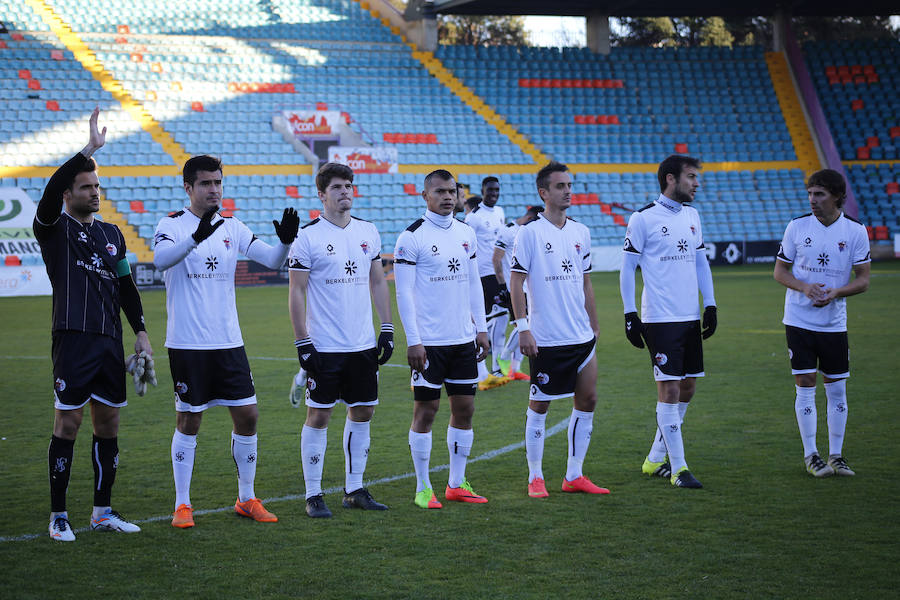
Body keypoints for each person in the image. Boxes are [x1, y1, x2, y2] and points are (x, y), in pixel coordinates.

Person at [153, 155, 299, 528]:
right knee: (189, 420)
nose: (214, 189)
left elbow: (272, 260)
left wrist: (285, 242)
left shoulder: (232, 225)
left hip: (228, 342)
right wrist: (196, 237)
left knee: (248, 415)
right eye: (206, 183)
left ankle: (246, 497)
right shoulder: (170, 225)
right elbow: (160, 260)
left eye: (218, 182)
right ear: (188, 188)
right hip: (187, 342)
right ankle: (182, 504)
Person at [36, 108, 152, 541]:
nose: (94, 192)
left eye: (97, 185)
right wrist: (87, 150)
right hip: (72, 339)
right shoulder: (53, 228)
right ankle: (59, 515)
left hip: (109, 342)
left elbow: (126, 287)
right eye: (86, 187)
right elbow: (48, 191)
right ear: (68, 194)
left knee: (108, 426)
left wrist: (140, 332)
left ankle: (101, 511)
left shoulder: (114, 235)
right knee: (67, 425)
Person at [288, 163, 394, 518]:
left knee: (363, 412)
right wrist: (302, 341)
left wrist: (387, 327)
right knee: (318, 415)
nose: (345, 191)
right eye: (337, 187)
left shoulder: (368, 231)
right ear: (322, 194)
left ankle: (354, 489)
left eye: (349, 185)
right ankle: (313, 494)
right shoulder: (308, 236)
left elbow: (378, 281)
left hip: (362, 344)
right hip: (324, 346)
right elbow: (297, 291)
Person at [510, 162, 610, 499]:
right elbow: (516, 282)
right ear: (543, 193)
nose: (568, 191)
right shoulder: (530, 233)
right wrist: (523, 328)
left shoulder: (581, 231)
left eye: (569, 185)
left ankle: (574, 474)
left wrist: (594, 323)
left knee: (589, 399)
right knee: (540, 407)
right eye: (560, 186)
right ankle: (535, 476)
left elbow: (586, 282)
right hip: (547, 338)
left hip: (581, 336)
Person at [394, 169, 491, 509]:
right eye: (440, 191)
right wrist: (414, 340)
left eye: (452, 191)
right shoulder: (411, 237)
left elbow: (473, 284)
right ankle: (423, 487)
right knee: (426, 410)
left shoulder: (467, 233)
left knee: (464, 409)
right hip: (429, 343)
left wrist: (480, 328)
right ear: (426, 196)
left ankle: (456, 482)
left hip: (463, 340)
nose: (448, 197)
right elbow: (403, 293)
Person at [619, 155, 716, 489]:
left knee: (687, 387)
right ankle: (679, 468)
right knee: (670, 389)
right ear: (671, 179)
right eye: (691, 177)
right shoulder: (643, 218)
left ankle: (654, 458)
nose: (696, 183)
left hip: (689, 316)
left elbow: (701, 263)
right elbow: (627, 268)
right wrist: (630, 314)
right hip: (660, 318)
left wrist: (711, 305)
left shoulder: (692, 215)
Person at [773, 169, 870, 477]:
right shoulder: (797, 226)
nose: (813, 200)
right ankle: (811, 454)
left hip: (833, 324)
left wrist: (836, 292)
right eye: (810, 194)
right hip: (799, 320)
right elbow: (780, 272)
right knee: (805, 384)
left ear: (838, 197)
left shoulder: (855, 231)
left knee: (836, 388)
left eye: (820, 194)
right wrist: (804, 287)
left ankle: (837, 456)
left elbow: (864, 280)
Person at [465, 176, 510, 389]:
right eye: (490, 190)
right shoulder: (474, 217)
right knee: (484, 321)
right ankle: (480, 371)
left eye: (496, 190)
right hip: (483, 275)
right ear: (482, 191)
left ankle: (497, 368)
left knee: (501, 320)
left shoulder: (500, 212)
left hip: (500, 274)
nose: (493, 193)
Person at [492, 205, 544, 381]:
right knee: (524, 325)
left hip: (530, 287)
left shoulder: (528, 232)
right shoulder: (508, 231)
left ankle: (515, 369)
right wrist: (502, 286)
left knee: (526, 326)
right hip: (514, 288)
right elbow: (496, 259)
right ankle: (504, 358)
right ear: (530, 218)